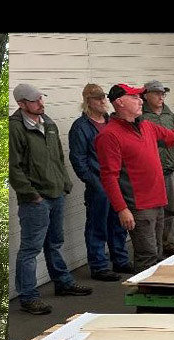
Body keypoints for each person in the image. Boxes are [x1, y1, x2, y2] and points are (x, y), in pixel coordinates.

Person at [95, 83, 174, 271]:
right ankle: (144, 295)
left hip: (158, 200)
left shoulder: (146, 126)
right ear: (120, 102)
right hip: (139, 205)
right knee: (147, 255)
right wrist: (122, 209)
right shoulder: (109, 135)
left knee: (158, 253)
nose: (140, 101)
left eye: (140, 97)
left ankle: (157, 292)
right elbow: (109, 177)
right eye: (135, 97)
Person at [10, 82, 93, 316]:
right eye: (35, 100)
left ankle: (63, 282)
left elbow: (57, 157)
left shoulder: (49, 123)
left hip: (56, 194)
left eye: (41, 99)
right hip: (35, 199)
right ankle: (28, 296)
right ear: (21, 103)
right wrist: (31, 194)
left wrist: (65, 183)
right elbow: (13, 167)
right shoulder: (15, 128)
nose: (41, 103)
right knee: (30, 249)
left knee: (54, 243)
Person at [69, 83, 131, 282]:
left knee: (118, 222)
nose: (103, 101)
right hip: (99, 183)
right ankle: (99, 265)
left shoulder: (112, 122)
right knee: (98, 225)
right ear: (88, 102)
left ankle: (120, 259)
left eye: (103, 97)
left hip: (117, 180)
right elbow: (78, 159)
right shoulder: (81, 127)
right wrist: (93, 181)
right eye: (98, 99)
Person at [140, 79, 174, 257]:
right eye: (157, 93)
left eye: (163, 93)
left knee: (170, 209)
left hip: (168, 167)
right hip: (150, 172)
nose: (161, 97)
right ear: (146, 95)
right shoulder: (140, 116)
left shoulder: (168, 114)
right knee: (154, 212)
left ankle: (170, 243)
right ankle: (154, 248)